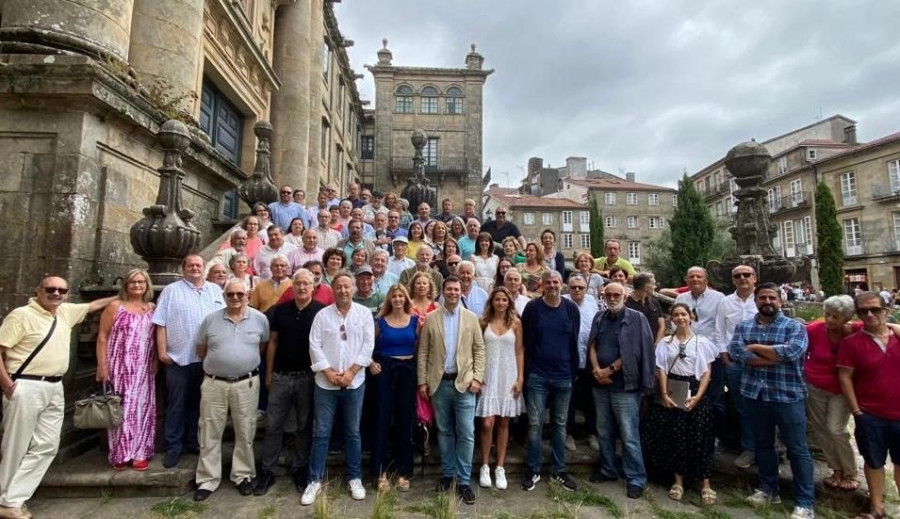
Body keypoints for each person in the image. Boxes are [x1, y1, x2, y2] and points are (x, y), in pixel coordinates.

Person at [0, 277, 114, 517]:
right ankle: (6, 500)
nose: (56, 293)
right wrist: (8, 385)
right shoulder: (21, 315)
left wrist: (125, 295)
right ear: (38, 290)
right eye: (50, 289)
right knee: (15, 445)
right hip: (26, 384)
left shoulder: (65, 312)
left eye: (61, 290)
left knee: (47, 446)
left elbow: (94, 305)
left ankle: (12, 499)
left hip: (54, 386)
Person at [728, 283, 814, 519]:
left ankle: (804, 502)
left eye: (772, 298)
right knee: (763, 445)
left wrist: (755, 347)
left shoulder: (795, 327)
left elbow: (792, 353)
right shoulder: (744, 326)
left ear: (780, 300)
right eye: (763, 297)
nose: (767, 301)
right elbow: (737, 353)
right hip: (755, 394)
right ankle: (768, 489)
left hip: (787, 394)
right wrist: (773, 356)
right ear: (755, 301)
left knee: (797, 449)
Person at [192, 279, 269, 502]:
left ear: (247, 295)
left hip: (246, 383)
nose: (235, 298)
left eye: (239, 294)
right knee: (209, 431)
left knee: (246, 430)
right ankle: (208, 479)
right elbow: (201, 350)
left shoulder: (260, 319)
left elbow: (261, 346)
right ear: (224, 296)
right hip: (215, 383)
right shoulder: (210, 320)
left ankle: (243, 475)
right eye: (230, 295)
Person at [302, 273, 375, 506]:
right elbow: (314, 346)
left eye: (347, 286)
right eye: (339, 287)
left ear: (353, 288)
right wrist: (329, 372)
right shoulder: (322, 316)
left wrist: (351, 372)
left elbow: (368, 345)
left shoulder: (363, 314)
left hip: (354, 383)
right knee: (321, 432)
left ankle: (355, 477)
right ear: (332, 290)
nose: (343, 290)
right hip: (326, 383)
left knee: (353, 432)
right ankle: (314, 480)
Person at [254, 269, 325, 496]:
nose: (302, 287)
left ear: (313, 286)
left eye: (306, 283)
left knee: (304, 426)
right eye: (298, 283)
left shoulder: (321, 312)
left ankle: (300, 468)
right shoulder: (280, 311)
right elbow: (272, 342)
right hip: (281, 376)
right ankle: (268, 470)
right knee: (274, 425)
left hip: (307, 377)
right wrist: (269, 373)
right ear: (292, 286)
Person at [153, 255, 226, 469]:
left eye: (199, 265)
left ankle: (194, 442)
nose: (195, 268)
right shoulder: (171, 291)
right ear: (183, 268)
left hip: (208, 361)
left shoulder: (214, 290)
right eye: (191, 265)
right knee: (176, 404)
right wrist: (162, 351)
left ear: (204, 268)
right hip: (179, 359)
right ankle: (174, 446)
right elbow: (161, 323)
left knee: (199, 404)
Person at [418, 276, 485, 505]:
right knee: (445, 431)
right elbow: (424, 352)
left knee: (466, 432)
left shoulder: (471, 318)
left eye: (457, 289)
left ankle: (464, 481)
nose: (453, 292)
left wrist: (477, 378)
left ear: (461, 292)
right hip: (439, 383)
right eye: (449, 289)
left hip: (464, 384)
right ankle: (448, 475)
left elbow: (479, 350)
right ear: (443, 292)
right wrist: (422, 382)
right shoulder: (430, 318)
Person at [643, 303, 719, 505]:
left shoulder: (701, 342)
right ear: (671, 318)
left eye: (683, 314)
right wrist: (665, 393)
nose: (680, 318)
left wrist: (698, 396)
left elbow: (706, 372)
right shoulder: (666, 343)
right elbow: (662, 370)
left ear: (690, 316)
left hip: (695, 391)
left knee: (700, 436)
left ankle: (705, 483)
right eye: (676, 315)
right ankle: (678, 481)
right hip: (674, 388)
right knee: (675, 436)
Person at [588, 282, 655, 499]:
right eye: (608, 294)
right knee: (604, 431)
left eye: (617, 294)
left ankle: (636, 477)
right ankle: (608, 469)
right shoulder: (600, 317)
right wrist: (597, 370)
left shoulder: (636, 318)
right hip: (601, 385)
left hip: (624, 385)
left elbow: (636, 350)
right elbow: (592, 346)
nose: (612, 297)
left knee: (628, 434)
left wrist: (609, 370)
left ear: (625, 296)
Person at [838, 292, 900, 519]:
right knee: (874, 461)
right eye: (863, 310)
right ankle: (877, 507)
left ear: (886, 309)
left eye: (875, 309)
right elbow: (845, 377)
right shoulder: (851, 343)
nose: (870, 314)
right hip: (870, 413)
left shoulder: (898, 336)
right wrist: (856, 411)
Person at [521, 270, 581, 493]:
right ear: (542, 285)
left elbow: (573, 340)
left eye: (556, 282)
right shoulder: (533, 308)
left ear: (561, 284)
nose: (553, 285)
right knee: (535, 424)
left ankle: (559, 469)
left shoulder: (571, 309)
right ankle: (533, 468)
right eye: (549, 282)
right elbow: (527, 339)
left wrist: (573, 370)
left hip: (564, 375)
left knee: (560, 424)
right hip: (537, 375)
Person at [95, 269, 157, 471]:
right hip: (119, 365)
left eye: (141, 282)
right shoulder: (115, 306)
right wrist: (102, 365)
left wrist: (155, 358)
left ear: (147, 285)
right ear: (126, 285)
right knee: (120, 408)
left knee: (141, 409)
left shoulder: (152, 308)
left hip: (143, 367)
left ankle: (140, 452)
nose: (137, 286)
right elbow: (102, 336)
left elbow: (155, 337)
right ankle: (120, 452)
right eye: (132, 282)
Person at [804, 295, 859, 492]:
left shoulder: (855, 330)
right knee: (820, 429)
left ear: (846, 318)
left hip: (841, 389)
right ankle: (835, 469)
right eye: (827, 314)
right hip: (815, 385)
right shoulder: (814, 330)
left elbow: (886, 327)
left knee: (836, 429)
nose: (829, 320)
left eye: (835, 316)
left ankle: (850, 471)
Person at [370, 284, 419, 492]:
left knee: (404, 420)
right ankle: (380, 471)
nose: (398, 299)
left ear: (406, 299)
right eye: (394, 296)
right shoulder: (380, 322)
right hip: (385, 371)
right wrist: (371, 362)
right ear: (389, 299)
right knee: (381, 419)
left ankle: (404, 471)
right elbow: (367, 346)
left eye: (401, 296)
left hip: (407, 371)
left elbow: (418, 349)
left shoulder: (416, 322)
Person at [476, 287, 524, 490]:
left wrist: (520, 378)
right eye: (497, 299)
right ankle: (485, 465)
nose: (501, 303)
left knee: (504, 422)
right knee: (487, 423)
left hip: (508, 375)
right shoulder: (483, 322)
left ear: (509, 302)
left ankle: (500, 467)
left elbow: (520, 352)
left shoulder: (516, 323)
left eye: (504, 300)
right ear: (492, 302)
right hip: (488, 376)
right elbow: (477, 349)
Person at [674, 267, 726, 446]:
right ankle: (686, 433)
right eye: (691, 277)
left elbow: (721, 326)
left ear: (706, 279)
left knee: (714, 397)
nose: (695, 279)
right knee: (684, 394)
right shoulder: (682, 298)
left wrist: (721, 352)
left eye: (699, 276)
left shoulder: (718, 298)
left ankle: (714, 437)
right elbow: (677, 324)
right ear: (686, 280)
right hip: (687, 354)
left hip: (711, 355)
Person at [714, 265, 759, 469]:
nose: (742, 278)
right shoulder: (726, 302)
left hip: (761, 362)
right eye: (737, 276)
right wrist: (725, 357)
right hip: (734, 362)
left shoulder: (762, 299)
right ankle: (749, 447)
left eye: (746, 275)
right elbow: (720, 330)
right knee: (741, 406)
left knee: (765, 405)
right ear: (733, 280)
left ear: (754, 278)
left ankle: (769, 447)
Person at [563, 274, 600, 453]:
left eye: (580, 287)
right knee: (568, 399)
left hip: (589, 358)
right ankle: (568, 433)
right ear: (568, 288)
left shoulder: (592, 301)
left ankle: (591, 433)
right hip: (567, 359)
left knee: (590, 398)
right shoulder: (562, 302)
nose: (577, 290)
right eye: (573, 287)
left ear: (586, 288)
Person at [625, 273, 665, 344]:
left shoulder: (654, 302)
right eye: (653, 284)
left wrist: (657, 344)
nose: (655, 287)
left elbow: (662, 324)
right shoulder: (626, 303)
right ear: (646, 287)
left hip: (654, 346)